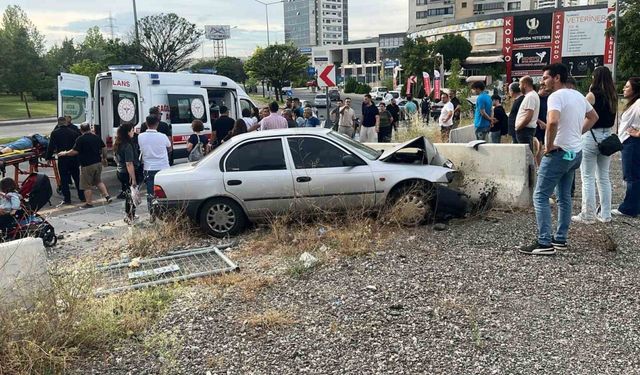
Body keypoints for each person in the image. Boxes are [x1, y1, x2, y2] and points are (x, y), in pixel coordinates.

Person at [520, 63, 599, 256]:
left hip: (558, 153)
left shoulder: (555, 96)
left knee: (540, 196)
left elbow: (553, 121)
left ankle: (544, 242)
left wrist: (549, 145)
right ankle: (560, 239)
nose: (543, 81)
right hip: (574, 153)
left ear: (557, 78)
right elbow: (593, 116)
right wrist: (577, 132)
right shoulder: (578, 96)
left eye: (546, 77)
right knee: (564, 197)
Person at [572, 66, 617, 224]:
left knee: (588, 177)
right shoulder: (613, 96)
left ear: (595, 77)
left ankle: (588, 214)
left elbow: (582, 114)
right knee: (604, 177)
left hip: (591, 136)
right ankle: (606, 214)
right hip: (607, 137)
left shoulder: (592, 95)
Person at [58, 123, 111, 208]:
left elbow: (74, 151)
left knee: (86, 185)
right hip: (98, 163)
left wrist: (65, 153)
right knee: (98, 181)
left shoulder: (81, 139)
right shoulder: (96, 137)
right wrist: (104, 158)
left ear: (81, 130)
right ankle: (107, 196)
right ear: (89, 128)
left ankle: (89, 203)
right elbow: (104, 148)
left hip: (87, 165)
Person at [614, 77, 640, 217]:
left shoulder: (638, 103)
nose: (624, 89)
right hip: (627, 141)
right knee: (633, 174)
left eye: (627, 86)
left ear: (635, 89)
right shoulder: (631, 103)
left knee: (632, 175)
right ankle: (635, 205)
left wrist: (638, 133)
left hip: (632, 142)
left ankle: (629, 208)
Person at [46, 116, 85, 206]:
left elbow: (51, 146)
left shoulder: (55, 133)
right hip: (73, 158)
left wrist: (48, 157)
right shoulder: (74, 132)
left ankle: (67, 199)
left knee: (64, 179)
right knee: (77, 178)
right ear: (66, 123)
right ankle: (82, 196)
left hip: (62, 158)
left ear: (58, 123)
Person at [138, 115, 171, 214]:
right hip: (163, 167)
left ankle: (152, 213)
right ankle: (165, 212)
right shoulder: (163, 136)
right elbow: (169, 147)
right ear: (157, 124)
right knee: (165, 192)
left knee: (150, 193)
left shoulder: (141, 136)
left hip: (149, 168)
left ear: (146, 124)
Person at [113, 123, 143, 223]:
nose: (133, 132)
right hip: (128, 173)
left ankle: (129, 215)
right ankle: (130, 216)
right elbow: (129, 163)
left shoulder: (117, 143)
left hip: (120, 171)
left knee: (128, 194)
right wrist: (133, 178)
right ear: (127, 132)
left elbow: (115, 158)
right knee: (132, 194)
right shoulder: (128, 145)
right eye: (131, 130)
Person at [515, 76, 540, 151]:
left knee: (526, 156)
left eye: (520, 84)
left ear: (525, 85)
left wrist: (519, 127)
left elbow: (528, 116)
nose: (519, 87)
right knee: (527, 154)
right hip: (526, 130)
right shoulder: (532, 95)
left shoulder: (530, 97)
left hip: (525, 130)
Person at [535, 84, 550, 165]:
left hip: (547, 124)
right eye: (545, 90)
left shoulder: (548, 98)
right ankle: (539, 166)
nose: (546, 93)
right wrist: (540, 122)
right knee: (539, 146)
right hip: (538, 125)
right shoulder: (536, 98)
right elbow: (532, 114)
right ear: (540, 89)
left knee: (547, 145)